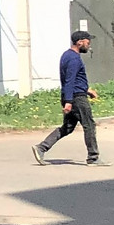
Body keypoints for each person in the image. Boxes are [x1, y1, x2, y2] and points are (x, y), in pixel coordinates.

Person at [33, 31, 100, 165]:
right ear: (79, 42)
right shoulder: (74, 59)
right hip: (77, 98)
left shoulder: (67, 55)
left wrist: (87, 90)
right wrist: (69, 101)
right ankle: (93, 157)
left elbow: (73, 80)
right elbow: (70, 80)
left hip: (72, 95)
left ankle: (41, 148)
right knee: (89, 125)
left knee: (68, 127)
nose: (89, 45)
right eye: (87, 42)